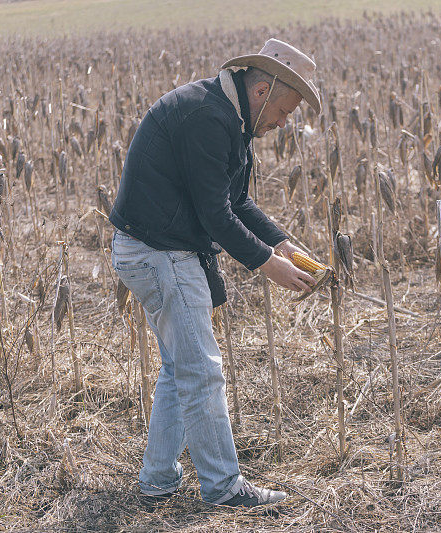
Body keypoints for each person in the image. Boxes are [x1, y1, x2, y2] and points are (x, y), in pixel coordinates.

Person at [108, 38, 321, 507]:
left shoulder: (229, 117)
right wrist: (269, 265)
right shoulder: (207, 118)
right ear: (262, 90)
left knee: (178, 368)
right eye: (284, 111)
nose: (284, 123)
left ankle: (158, 479)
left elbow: (237, 200)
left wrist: (281, 241)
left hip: (151, 249)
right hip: (158, 253)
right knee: (202, 372)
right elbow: (215, 216)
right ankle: (223, 486)